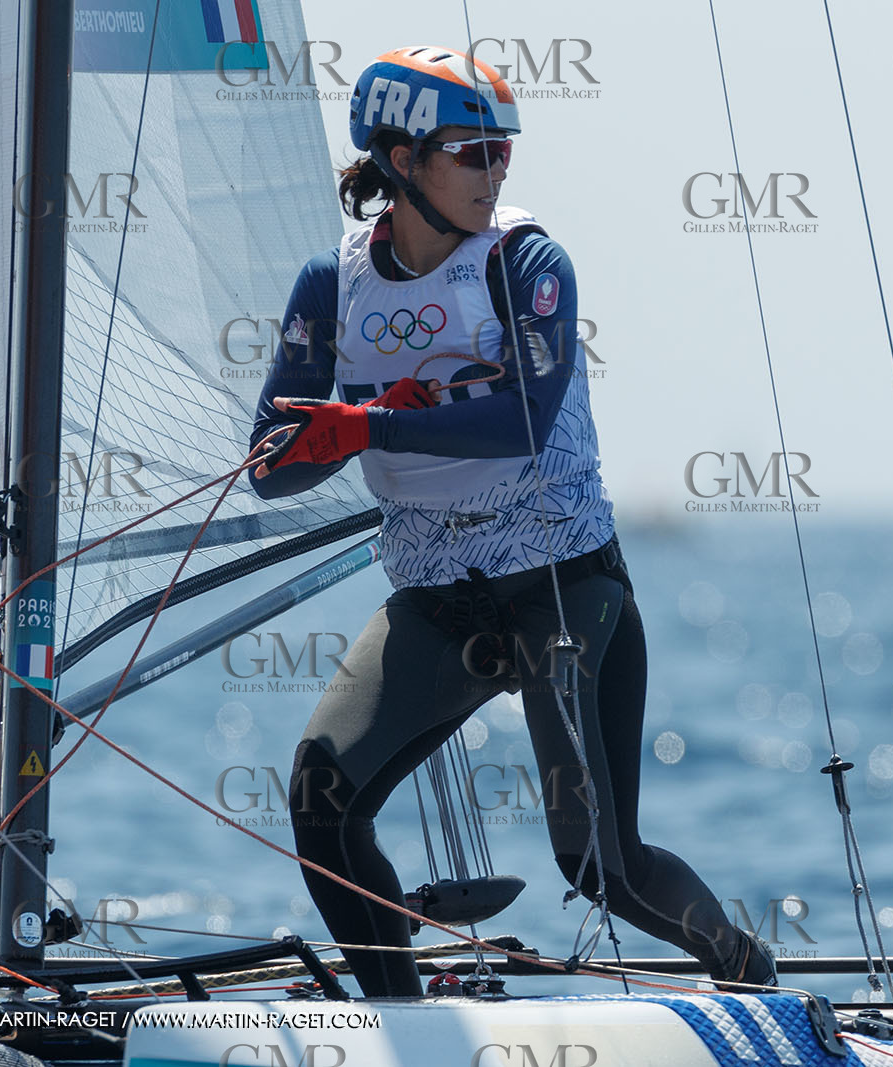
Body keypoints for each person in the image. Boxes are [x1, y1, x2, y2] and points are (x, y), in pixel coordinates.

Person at [249, 46, 776, 997]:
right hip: (439, 606)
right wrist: (316, 442)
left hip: (565, 591)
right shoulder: (330, 288)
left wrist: (370, 419)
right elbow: (266, 470)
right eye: (472, 151)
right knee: (321, 805)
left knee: (598, 865)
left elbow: (522, 422)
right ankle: (401, 1025)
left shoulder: (526, 262)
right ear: (402, 160)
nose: (496, 171)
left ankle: (750, 974)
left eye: (503, 151)